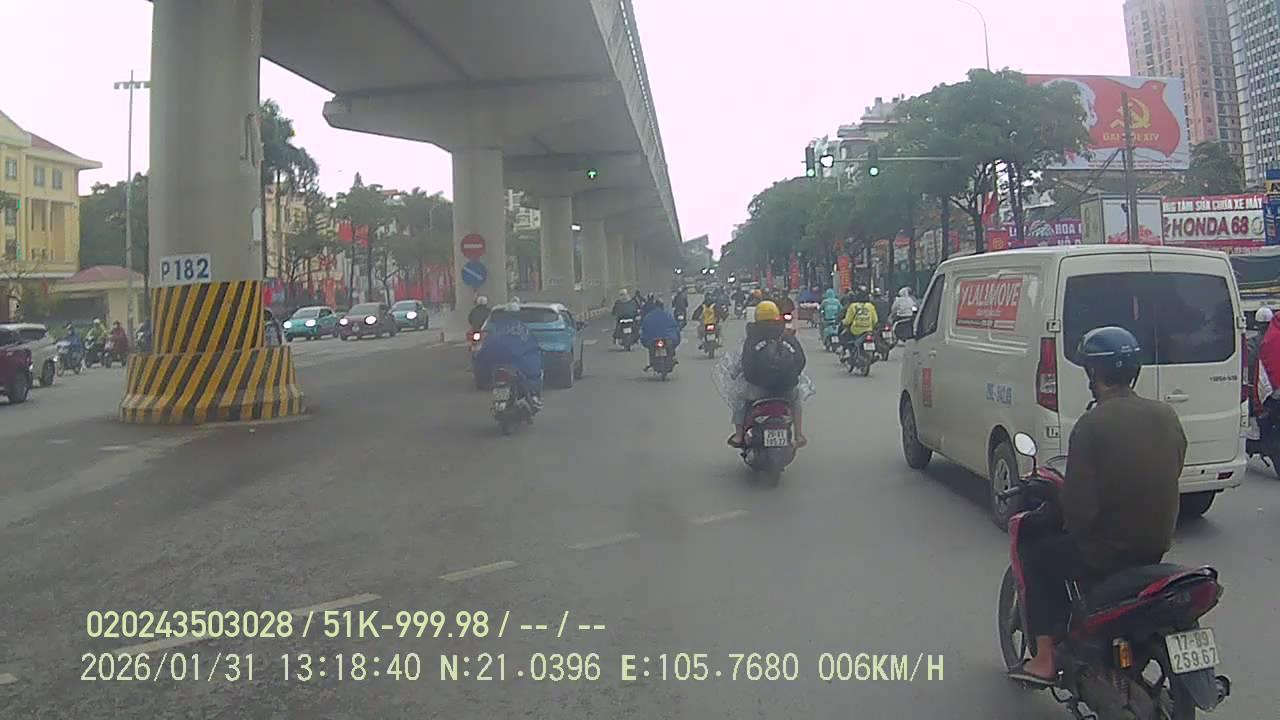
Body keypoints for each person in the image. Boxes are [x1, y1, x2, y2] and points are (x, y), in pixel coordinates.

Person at [1008, 326, 1186, 686]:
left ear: (1094, 373)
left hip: (1107, 553)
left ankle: (1044, 659)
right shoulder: (1166, 414)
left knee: (1038, 554)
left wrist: (1063, 512)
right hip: (1156, 546)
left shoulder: (1091, 425)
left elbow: (1079, 511)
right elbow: (1175, 466)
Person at [731, 300, 807, 448]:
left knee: (739, 397)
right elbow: (801, 360)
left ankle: (739, 435)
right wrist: (791, 377)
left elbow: (747, 366)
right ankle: (798, 435)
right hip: (786, 390)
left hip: (758, 391)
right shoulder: (786, 334)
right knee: (796, 398)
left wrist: (755, 380)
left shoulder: (752, 337)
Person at [473, 303, 545, 410]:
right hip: (515, 362)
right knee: (533, 369)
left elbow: (487, 346)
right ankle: (533, 397)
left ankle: (532, 397)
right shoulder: (522, 328)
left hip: (499, 361)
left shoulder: (498, 327)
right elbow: (531, 345)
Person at [640, 298, 681, 369]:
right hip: (667, 339)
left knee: (651, 348)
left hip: (652, 339)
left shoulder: (648, 316)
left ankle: (652, 362)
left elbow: (644, 329)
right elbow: (675, 328)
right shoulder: (668, 315)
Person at [840, 288, 879, 352]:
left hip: (856, 331)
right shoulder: (870, 306)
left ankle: (847, 351)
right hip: (868, 330)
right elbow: (875, 320)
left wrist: (842, 322)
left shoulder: (853, 306)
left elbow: (848, 321)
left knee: (844, 337)